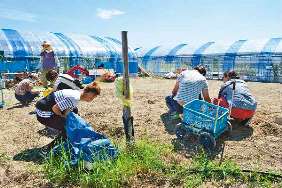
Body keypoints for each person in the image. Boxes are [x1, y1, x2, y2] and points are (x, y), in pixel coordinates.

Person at [35, 82, 101, 149]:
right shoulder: (74, 98)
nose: (92, 98)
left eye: (94, 97)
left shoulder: (77, 93)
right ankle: (47, 148)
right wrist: (63, 117)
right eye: (92, 96)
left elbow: (67, 108)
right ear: (87, 92)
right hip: (43, 114)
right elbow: (55, 108)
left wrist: (68, 118)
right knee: (68, 130)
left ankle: (66, 138)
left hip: (47, 106)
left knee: (74, 111)